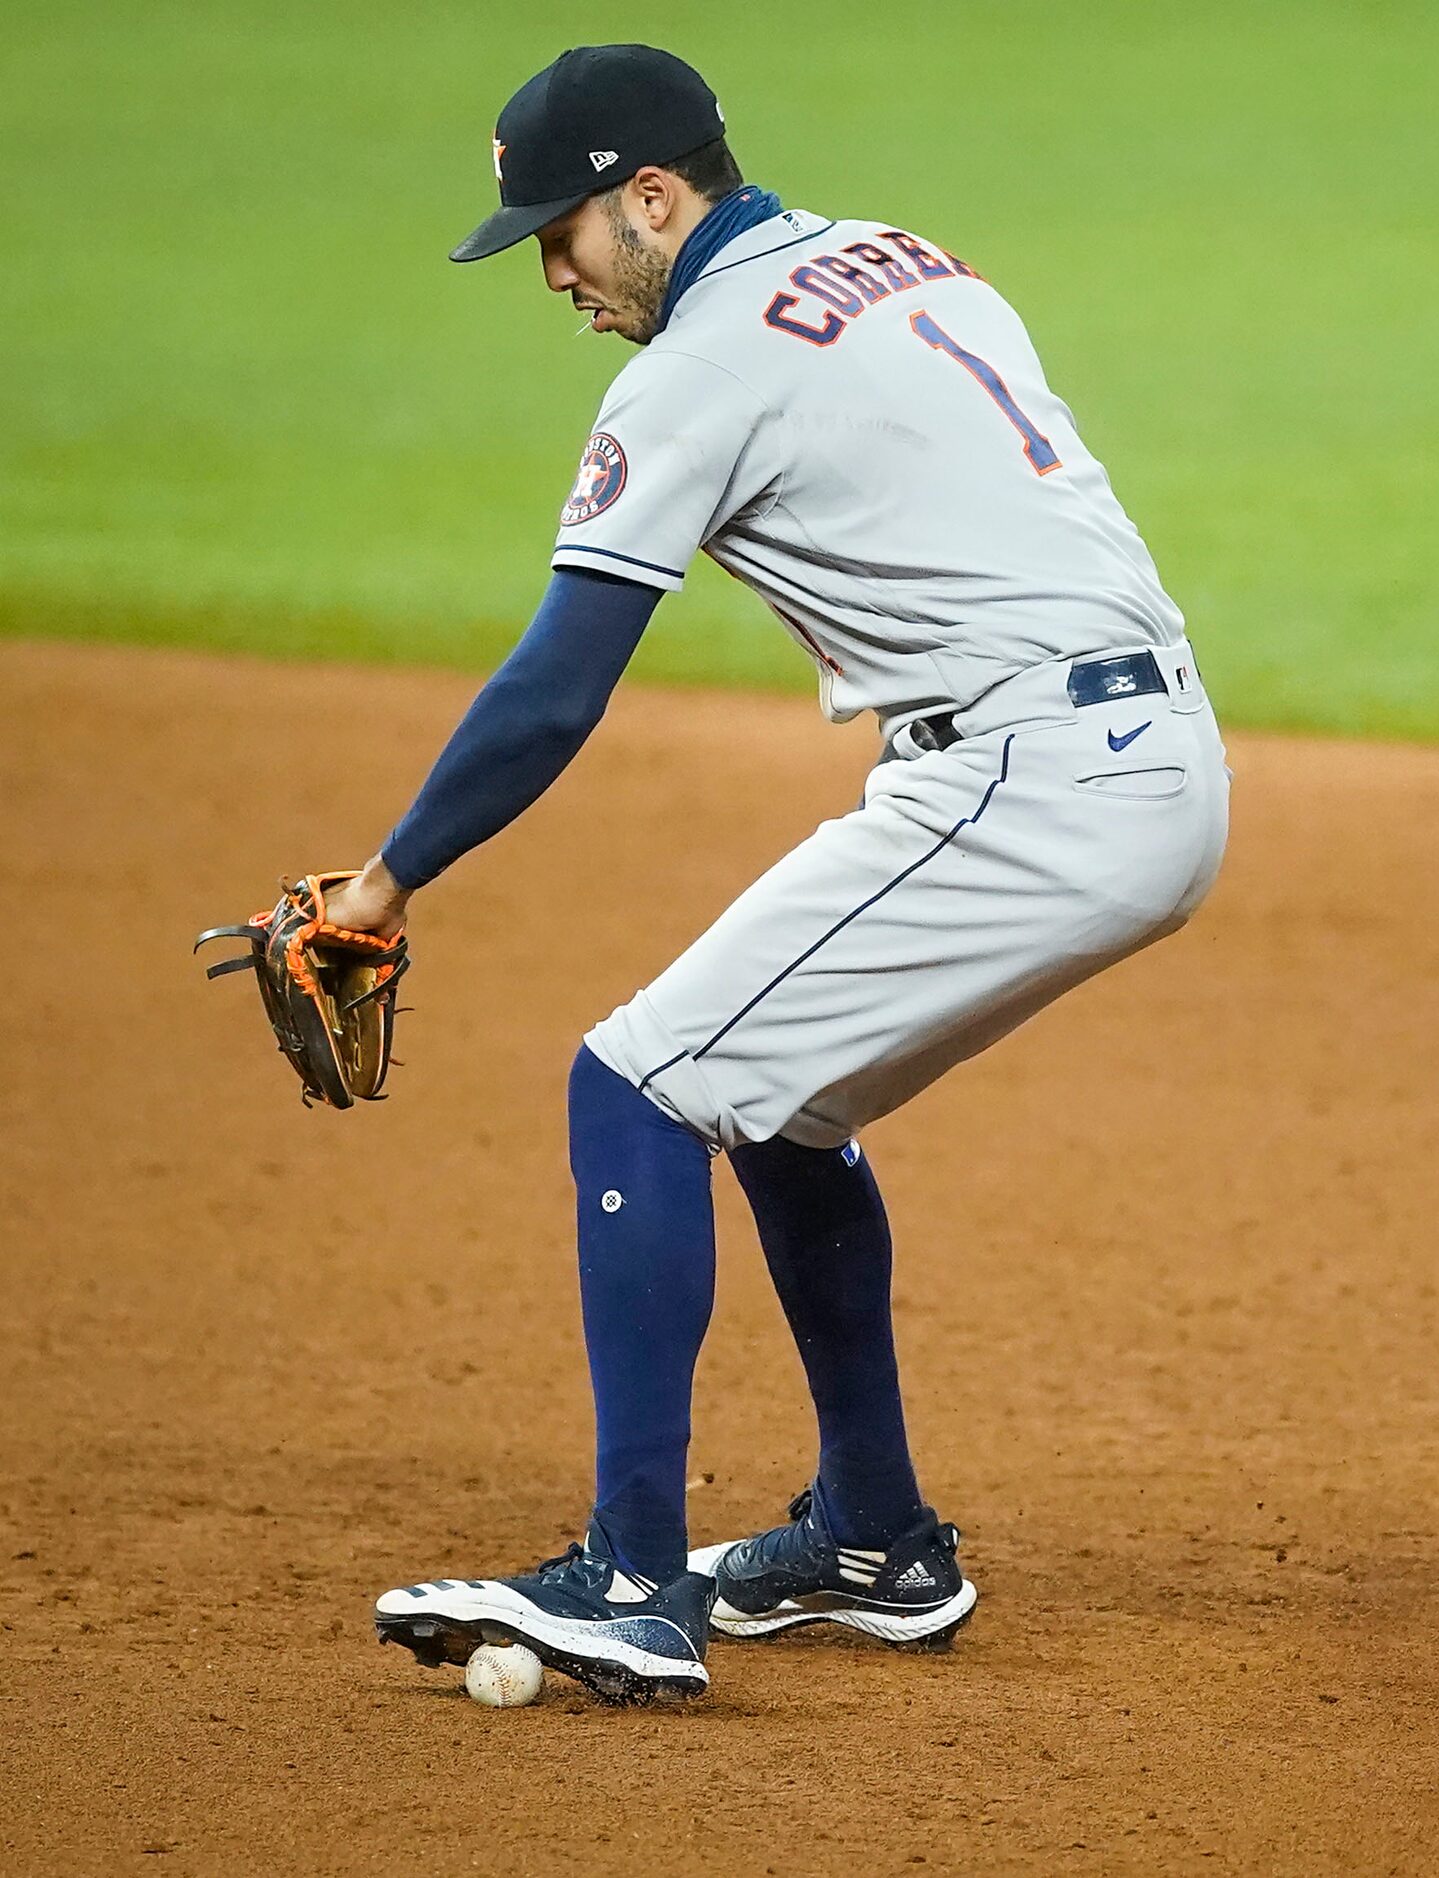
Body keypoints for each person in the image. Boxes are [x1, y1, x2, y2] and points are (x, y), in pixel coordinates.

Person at [358, 44, 1227, 1703]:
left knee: (634, 1084)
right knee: (773, 1096)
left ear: (656, 197)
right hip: (1143, 752)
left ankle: (626, 1579)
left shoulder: (695, 371)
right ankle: (874, 1538)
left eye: (565, 233)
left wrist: (386, 878)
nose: (551, 272)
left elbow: (552, 690)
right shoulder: (901, 254)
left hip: (1030, 776)